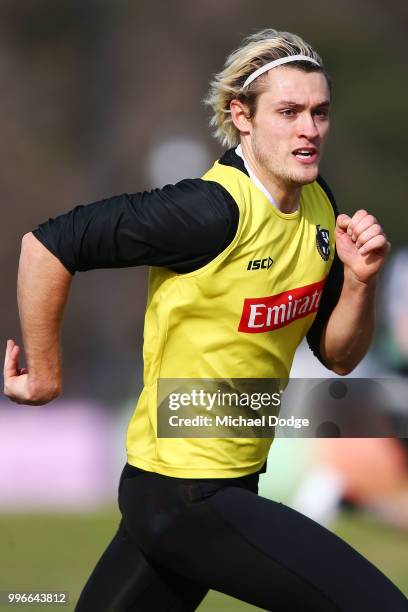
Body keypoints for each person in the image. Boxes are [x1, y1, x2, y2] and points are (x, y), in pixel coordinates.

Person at [4, 28, 407, 611]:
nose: (309, 129)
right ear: (242, 116)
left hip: (225, 487)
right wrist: (43, 374)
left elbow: (340, 355)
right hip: (182, 498)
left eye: (320, 113)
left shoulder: (320, 205)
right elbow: (46, 246)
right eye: (289, 112)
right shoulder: (206, 211)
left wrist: (361, 283)